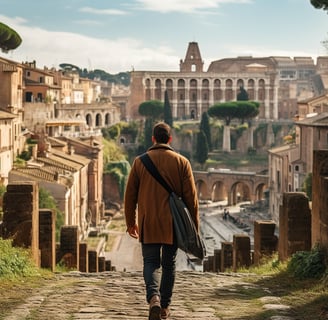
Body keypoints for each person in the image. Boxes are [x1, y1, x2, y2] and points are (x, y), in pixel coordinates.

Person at [124, 122, 199, 320]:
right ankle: (165, 307)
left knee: (150, 262)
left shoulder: (140, 162)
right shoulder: (183, 162)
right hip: (172, 224)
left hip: (148, 221)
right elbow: (192, 199)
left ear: (153, 139)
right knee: (169, 264)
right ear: (170, 139)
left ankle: (153, 299)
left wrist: (130, 222)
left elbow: (129, 195)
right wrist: (194, 229)